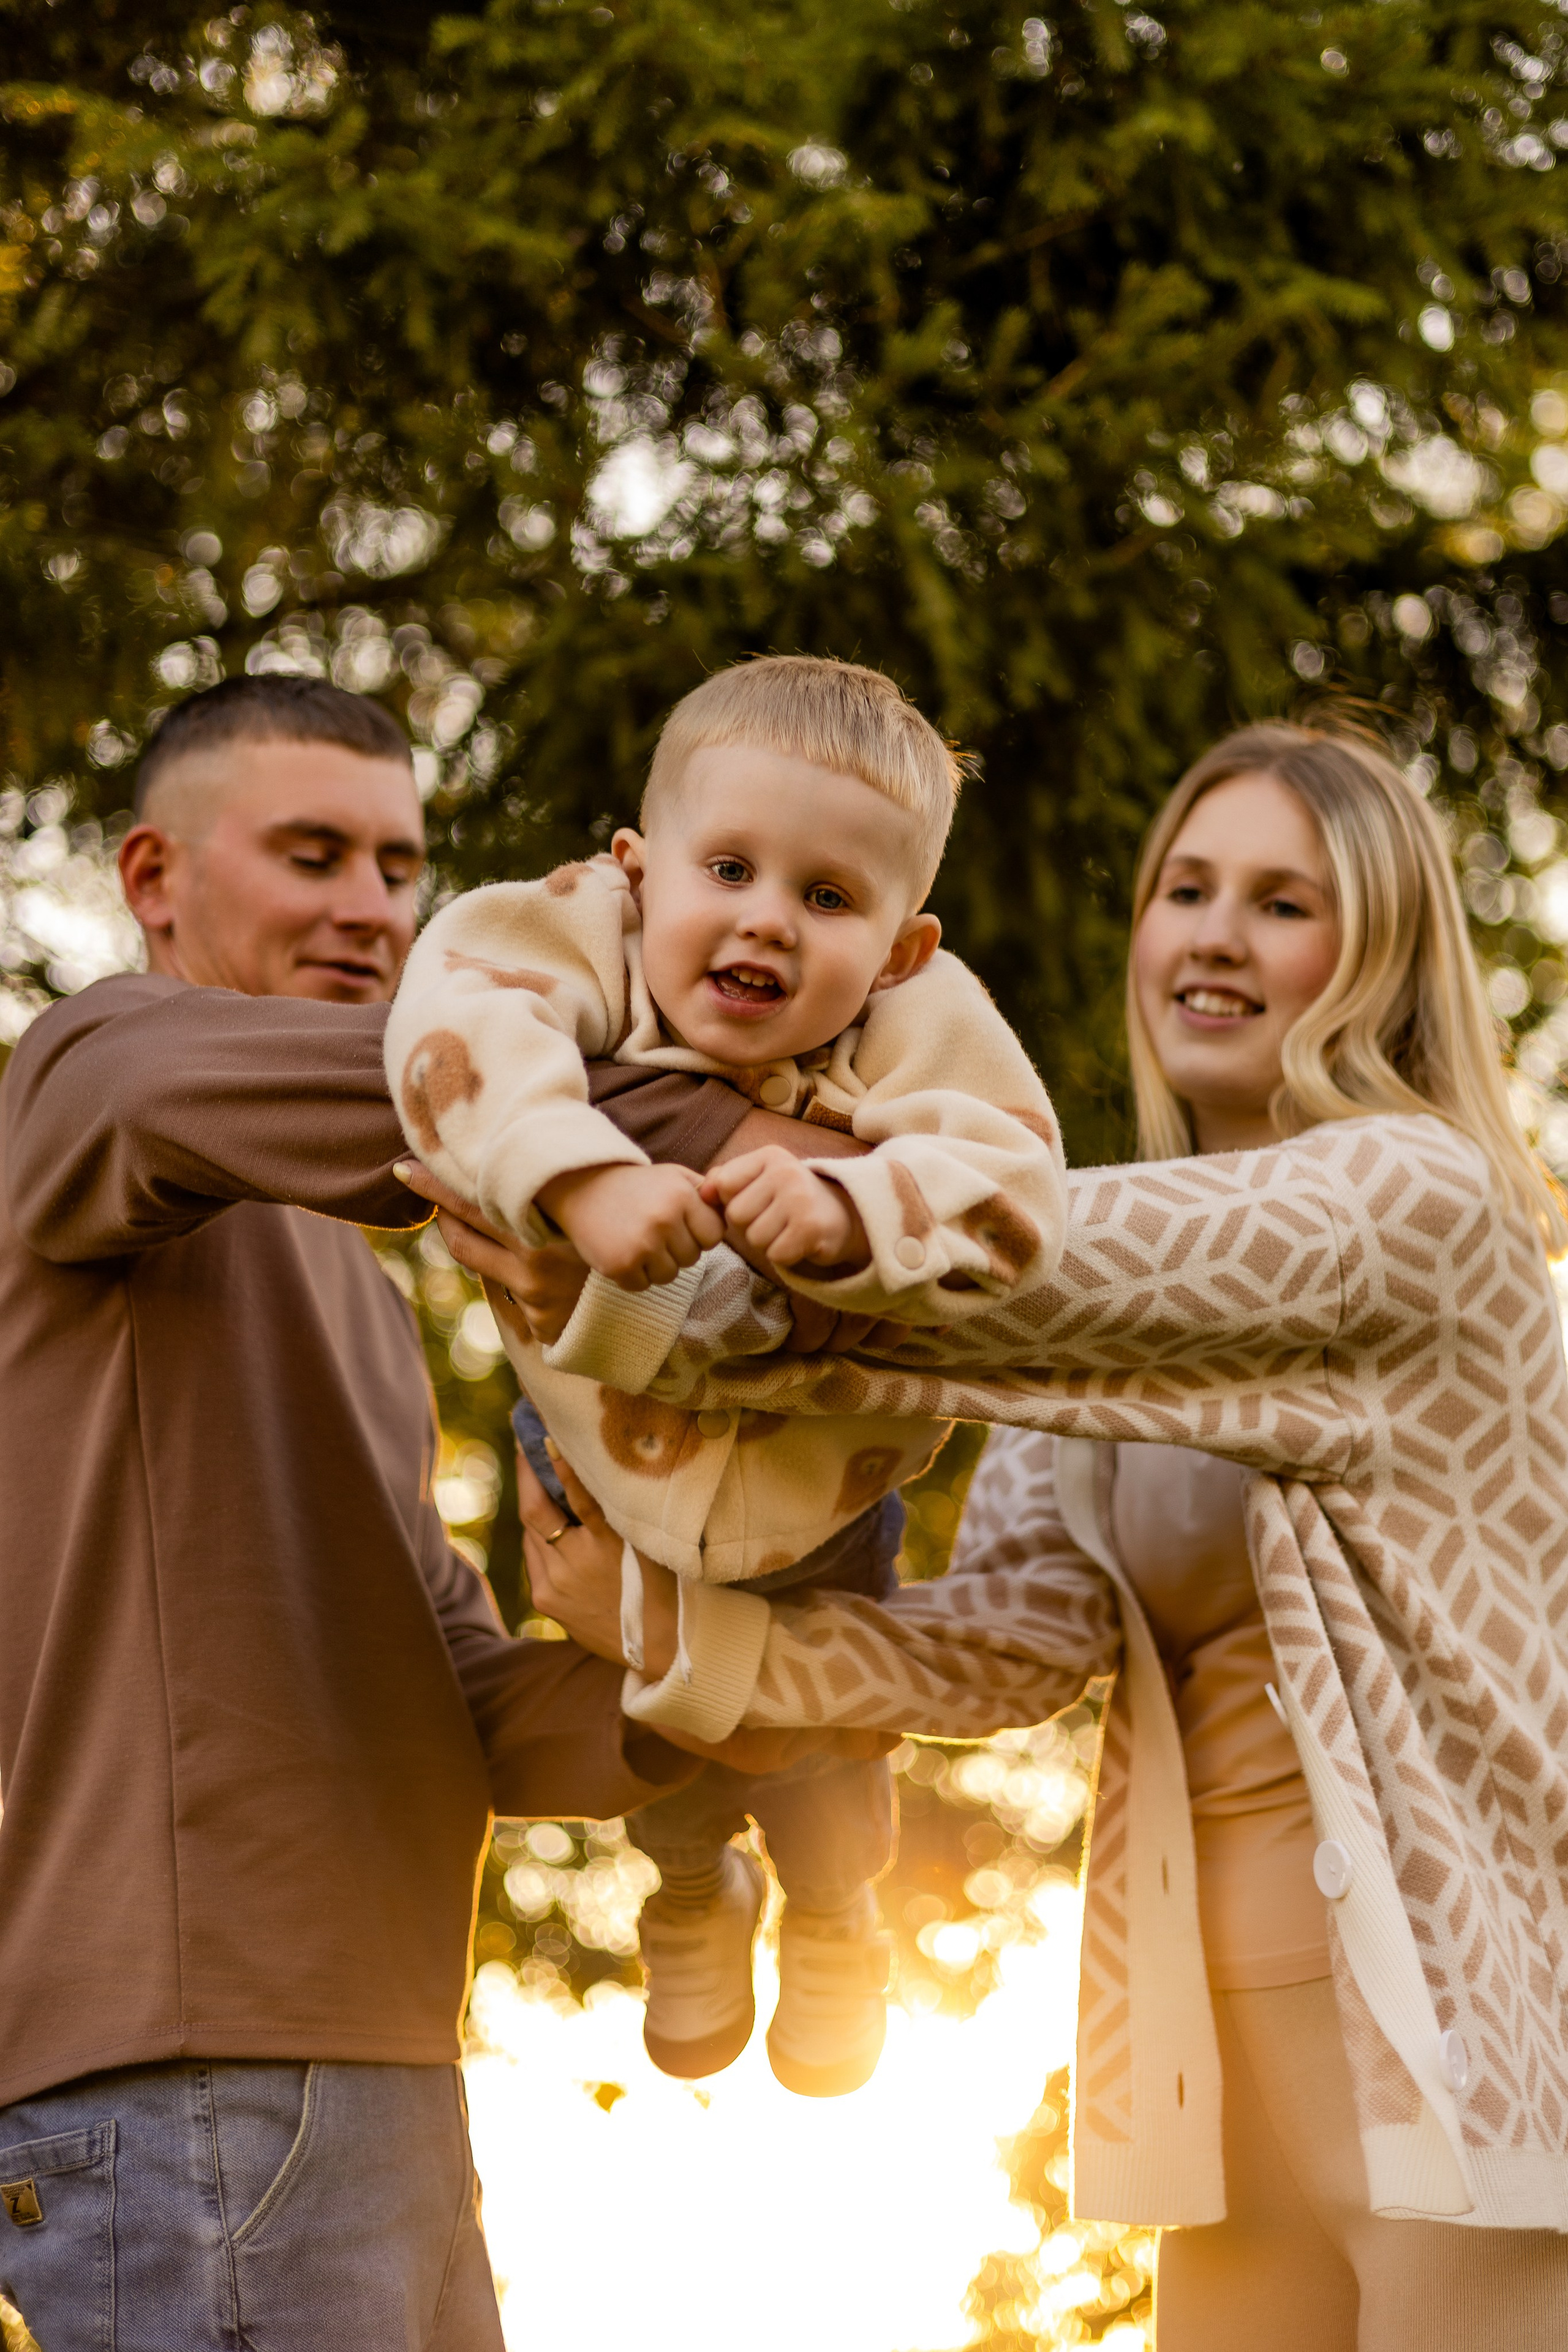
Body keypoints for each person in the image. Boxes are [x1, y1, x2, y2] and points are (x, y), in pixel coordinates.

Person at [494, 722, 1568, 2346]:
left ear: (1382, 954)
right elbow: (1014, 1641)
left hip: (1471, 2069)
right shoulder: (1116, 1320)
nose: (1211, 933)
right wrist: (684, 1646)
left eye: (1281, 903)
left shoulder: (1420, 1204)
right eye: (1185, 888)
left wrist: (665, 1252)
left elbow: (1041, 1272)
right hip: (1221, 2083)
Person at [0, 673, 863, 2352]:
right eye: (313, 853)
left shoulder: (357, 1267)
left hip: (356, 2067)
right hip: (197, 2075)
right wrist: (777, 1143)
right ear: (154, 879)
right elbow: (435, 1090)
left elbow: (451, 1699)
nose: (374, 907)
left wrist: (701, 1684)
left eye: (402, 867)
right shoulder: (93, 1073)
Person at [384, 654, 1068, 2097]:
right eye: (730, 867)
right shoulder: (578, 938)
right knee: (661, 1752)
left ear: (896, 949)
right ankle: (691, 1899)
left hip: (823, 1506)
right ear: (636, 874)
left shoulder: (918, 1022)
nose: (765, 917)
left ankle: (832, 1916)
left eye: (827, 899)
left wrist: (849, 1208)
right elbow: (449, 1016)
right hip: (610, 1482)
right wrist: (573, 1179)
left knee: (830, 1767)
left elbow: (1016, 1183)